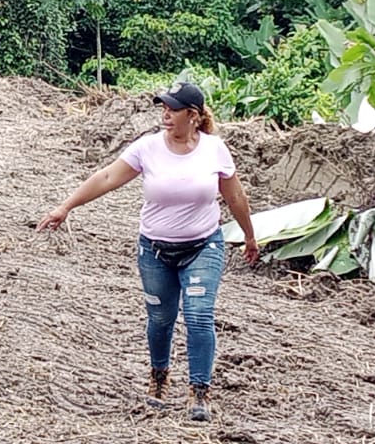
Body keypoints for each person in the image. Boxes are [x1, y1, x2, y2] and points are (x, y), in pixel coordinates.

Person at [37, 82, 258, 422]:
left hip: (203, 246)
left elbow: (235, 196)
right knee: (160, 318)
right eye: (163, 108)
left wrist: (249, 236)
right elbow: (107, 177)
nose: (165, 114)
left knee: (199, 315)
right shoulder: (148, 148)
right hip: (155, 249)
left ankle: (199, 390)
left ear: (193, 115)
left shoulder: (214, 149)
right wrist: (65, 207)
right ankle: (159, 377)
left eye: (173, 109)